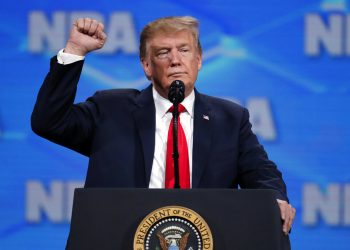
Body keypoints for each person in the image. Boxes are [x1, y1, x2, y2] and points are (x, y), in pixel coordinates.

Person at [31, 16, 296, 234]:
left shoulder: (230, 118)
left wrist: (274, 199)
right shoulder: (111, 109)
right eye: (162, 53)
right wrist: (75, 51)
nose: (175, 60)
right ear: (146, 66)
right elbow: (49, 122)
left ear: (199, 60)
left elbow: (261, 172)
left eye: (184, 50)